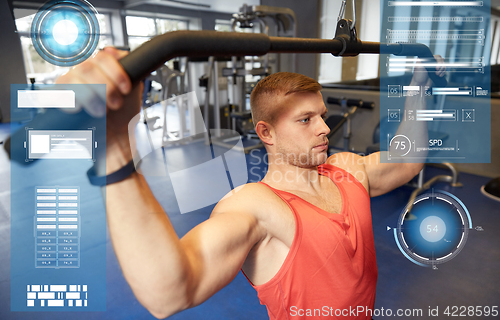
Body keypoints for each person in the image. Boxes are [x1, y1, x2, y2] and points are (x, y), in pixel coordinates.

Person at [56, 47, 444, 319]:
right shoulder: (257, 207)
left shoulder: (348, 169)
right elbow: (169, 293)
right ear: (266, 132)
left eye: (322, 115)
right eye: (305, 120)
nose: (326, 128)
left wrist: (419, 86)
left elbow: (406, 159)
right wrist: (113, 148)